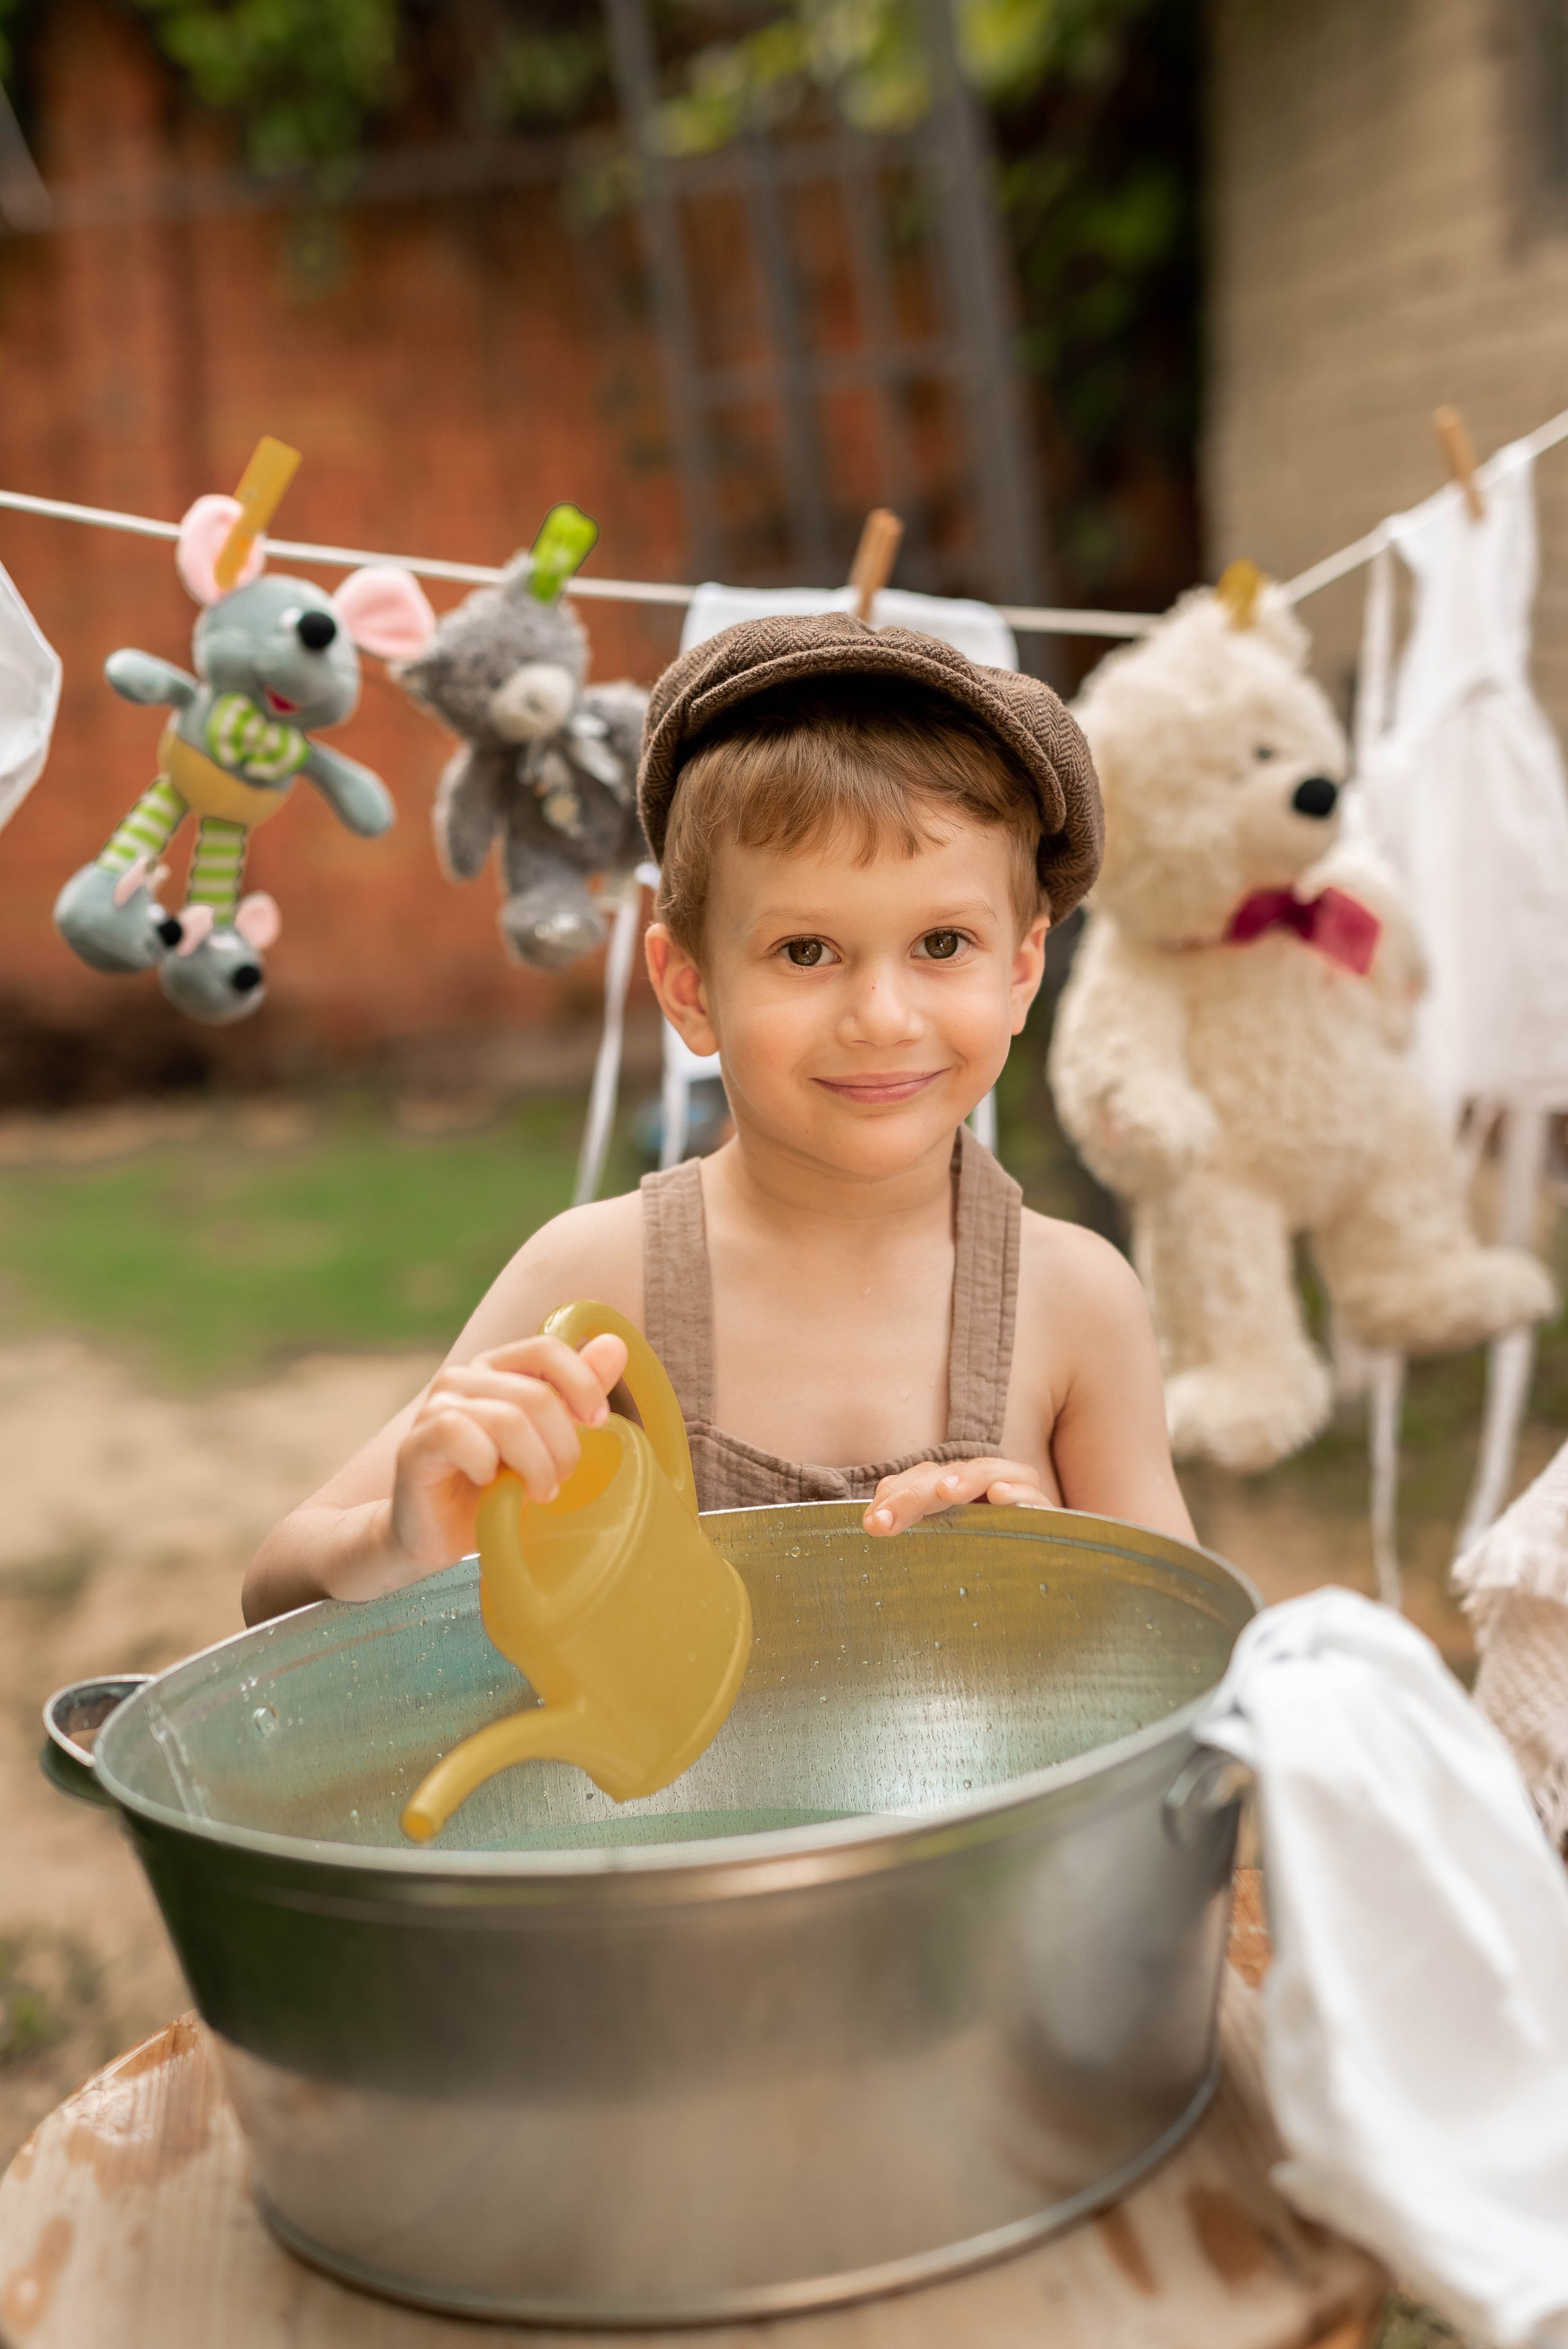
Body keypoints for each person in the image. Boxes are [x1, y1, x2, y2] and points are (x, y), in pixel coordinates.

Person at [245, 614, 1192, 1624]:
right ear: (688, 986)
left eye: (943, 942)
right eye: (806, 953)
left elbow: (1183, 1651)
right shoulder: (598, 1280)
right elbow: (276, 1586)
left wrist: (1063, 1569)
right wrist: (396, 1543)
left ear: (1021, 970)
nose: (882, 1017)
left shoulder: (1077, 1303)